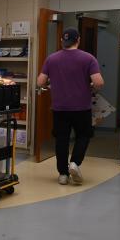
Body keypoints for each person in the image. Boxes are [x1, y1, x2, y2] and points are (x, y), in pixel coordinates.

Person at [37, 28, 104, 185]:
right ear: (78, 40)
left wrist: (52, 82)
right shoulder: (88, 58)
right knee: (84, 135)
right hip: (82, 107)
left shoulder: (51, 59)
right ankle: (75, 163)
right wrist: (90, 87)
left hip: (59, 108)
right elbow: (99, 82)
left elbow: (40, 82)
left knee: (61, 140)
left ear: (62, 41)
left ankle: (63, 174)